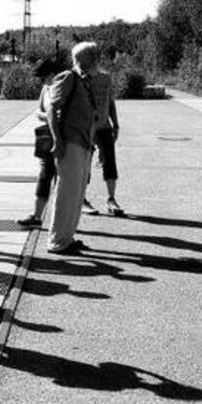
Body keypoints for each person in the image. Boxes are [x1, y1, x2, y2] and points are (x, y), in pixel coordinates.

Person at [46, 42, 100, 255]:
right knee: (67, 193)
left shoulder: (85, 80)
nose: (98, 60)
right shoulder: (69, 77)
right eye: (95, 55)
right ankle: (57, 241)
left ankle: (67, 237)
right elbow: (52, 107)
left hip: (83, 143)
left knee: (77, 194)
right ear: (87, 59)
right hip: (70, 143)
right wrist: (57, 140)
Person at [17, 57, 62, 228]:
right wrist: (49, 116)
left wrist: (52, 116)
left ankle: (60, 219)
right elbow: (39, 111)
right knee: (44, 176)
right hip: (47, 136)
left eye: (43, 77)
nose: (41, 81)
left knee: (61, 178)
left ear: (52, 73)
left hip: (63, 137)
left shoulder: (62, 87)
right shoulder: (46, 89)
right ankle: (36, 216)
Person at [80, 50, 125, 217]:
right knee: (85, 164)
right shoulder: (80, 78)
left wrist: (116, 125)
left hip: (105, 126)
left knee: (110, 163)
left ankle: (111, 200)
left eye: (96, 58)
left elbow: (110, 102)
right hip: (86, 128)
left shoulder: (106, 78)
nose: (95, 61)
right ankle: (82, 199)